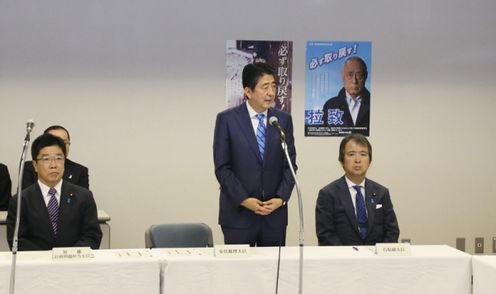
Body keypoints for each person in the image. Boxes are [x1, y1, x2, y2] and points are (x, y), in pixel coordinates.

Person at [213, 62, 297, 246]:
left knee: (274, 273)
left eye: (274, 86)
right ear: (248, 91)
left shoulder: (283, 120)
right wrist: (244, 199)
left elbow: (290, 165)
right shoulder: (227, 120)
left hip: (274, 216)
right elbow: (222, 168)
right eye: (264, 87)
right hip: (239, 216)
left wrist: (281, 199)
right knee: (240, 273)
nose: (271, 92)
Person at [7, 133, 102, 250]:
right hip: (37, 265)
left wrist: (64, 257)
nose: (54, 165)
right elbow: (17, 240)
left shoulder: (83, 196)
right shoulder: (20, 200)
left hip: (75, 264)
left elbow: (92, 236)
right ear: (35, 165)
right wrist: (48, 258)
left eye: (58, 158)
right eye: (46, 159)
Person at [316, 133, 399, 245]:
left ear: (370, 161)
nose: (358, 160)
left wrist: (378, 256)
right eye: (351, 154)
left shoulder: (382, 193)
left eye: (363, 154)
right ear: (342, 161)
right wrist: (349, 257)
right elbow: (325, 235)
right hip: (343, 258)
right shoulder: (328, 194)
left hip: (376, 259)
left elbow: (392, 231)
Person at [22, 125, 89, 190]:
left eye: (64, 142)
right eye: (53, 142)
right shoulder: (29, 167)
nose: (59, 145)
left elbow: (82, 198)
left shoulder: (80, 171)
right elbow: (25, 197)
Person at [322, 56, 370, 136]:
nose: (354, 81)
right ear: (342, 76)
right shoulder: (330, 105)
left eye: (359, 75)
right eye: (350, 75)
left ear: (365, 76)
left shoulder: (375, 104)